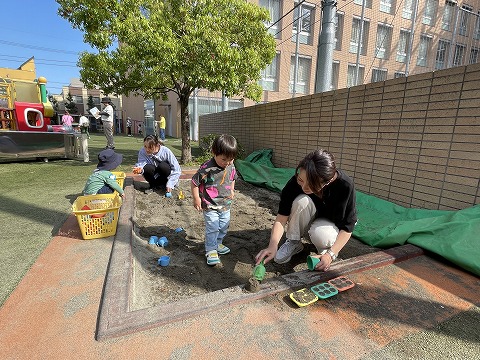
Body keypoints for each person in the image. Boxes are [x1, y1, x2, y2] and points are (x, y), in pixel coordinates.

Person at [255, 149, 357, 272]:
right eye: (301, 180)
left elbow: (348, 227)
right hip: (309, 215)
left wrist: (331, 254)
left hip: (330, 222)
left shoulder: (345, 186)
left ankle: (325, 251)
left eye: (311, 185)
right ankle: (294, 242)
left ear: (327, 182)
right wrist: (273, 245)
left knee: (322, 236)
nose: (303, 187)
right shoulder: (294, 183)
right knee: (301, 201)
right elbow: (281, 218)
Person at [191, 134, 238, 265]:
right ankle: (211, 249)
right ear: (214, 153)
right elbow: (194, 182)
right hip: (209, 204)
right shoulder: (207, 168)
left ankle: (218, 243)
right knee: (213, 227)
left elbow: (233, 177)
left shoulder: (231, 166)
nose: (227, 163)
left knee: (223, 226)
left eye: (231, 159)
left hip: (225, 204)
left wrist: (232, 190)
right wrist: (196, 199)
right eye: (224, 159)